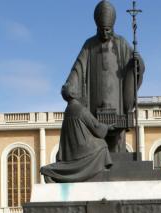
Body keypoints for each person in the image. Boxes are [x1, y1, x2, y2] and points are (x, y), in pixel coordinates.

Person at [63, 0, 144, 153]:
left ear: (113, 26)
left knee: (117, 145)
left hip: (117, 103)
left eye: (108, 29)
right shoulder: (89, 45)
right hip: (95, 104)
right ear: (97, 27)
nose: (105, 33)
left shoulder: (121, 43)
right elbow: (79, 67)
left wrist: (137, 63)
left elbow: (135, 68)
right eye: (102, 29)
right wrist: (71, 85)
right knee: (97, 143)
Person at [39, 85, 113, 183]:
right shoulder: (80, 109)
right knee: (102, 145)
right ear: (74, 94)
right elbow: (96, 127)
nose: (81, 93)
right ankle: (98, 171)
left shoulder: (68, 109)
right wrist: (107, 127)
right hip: (81, 147)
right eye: (78, 91)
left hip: (72, 148)